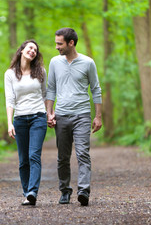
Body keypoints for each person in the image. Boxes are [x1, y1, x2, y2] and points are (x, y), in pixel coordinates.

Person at [46, 28, 102, 206]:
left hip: (82, 115)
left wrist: (98, 116)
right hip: (61, 115)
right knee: (63, 157)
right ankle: (65, 190)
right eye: (56, 43)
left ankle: (83, 190)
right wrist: (50, 112)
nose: (57, 47)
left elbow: (96, 89)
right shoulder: (54, 62)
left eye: (59, 43)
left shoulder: (88, 63)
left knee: (83, 153)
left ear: (71, 43)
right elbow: (51, 89)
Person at [4, 40, 47, 206]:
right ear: (22, 50)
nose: (33, 51)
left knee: (34, 155)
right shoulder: (10, 74)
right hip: (20, 119)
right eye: (30, 48)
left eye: (35, 50)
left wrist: (48, 114)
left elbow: (45, 95)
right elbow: (10, 99)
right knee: (23, 160)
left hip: (38, 117)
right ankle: (26, 193)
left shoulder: (41, 71)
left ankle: (32, 192)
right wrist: (10, 123)